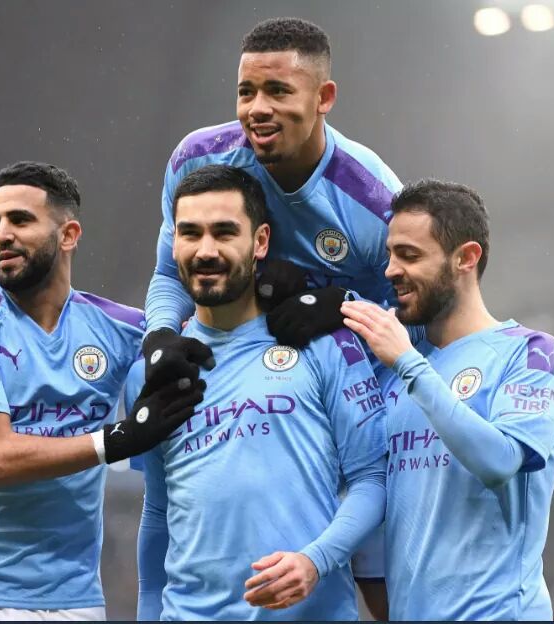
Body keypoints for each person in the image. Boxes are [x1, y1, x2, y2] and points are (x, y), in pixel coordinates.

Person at [141, 19, 403, 611]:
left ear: (324, 97)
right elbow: (167, 272)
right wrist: (158, 335)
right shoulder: (197, 159)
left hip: (349, 377)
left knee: (381, 581)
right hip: (248, 358)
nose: (257, 109)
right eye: (246, 91)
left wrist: (342, 305)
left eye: (278, 91)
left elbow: (417, 313)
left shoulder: (371, 199)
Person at [0, 161, 204, 621]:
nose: (2, 235)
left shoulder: (121, 329)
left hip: (73, 601)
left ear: (68, 235)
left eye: (20, 220)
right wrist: (118, 440)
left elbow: (208, 342)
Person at [130, 164, 387, 621]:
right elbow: (158, 508)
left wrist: (316, 561)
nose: (205, 250)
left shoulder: (325, 343)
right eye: (190, 233)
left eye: (224, 232)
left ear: (261, 241)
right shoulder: (152, 371)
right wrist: (147, 612)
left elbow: (372, 480)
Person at [341, 179, 554, 620]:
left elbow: (501, 460)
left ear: (466, 258)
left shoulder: (528, 352)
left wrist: (409, 365)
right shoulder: (393, 366)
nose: (391, 270)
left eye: (410, 255)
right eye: (390, 255)